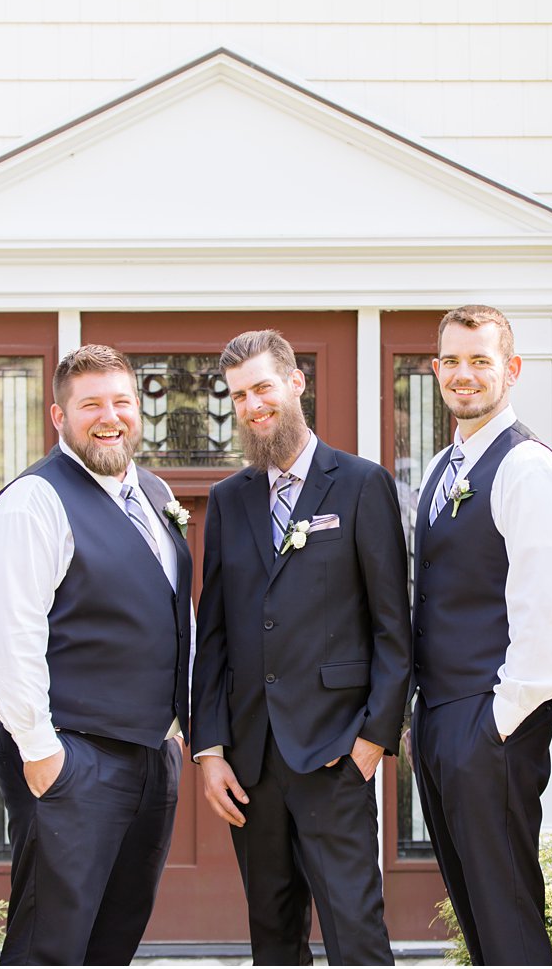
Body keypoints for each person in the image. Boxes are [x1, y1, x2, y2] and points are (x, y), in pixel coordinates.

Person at [191, 329, 411, 966]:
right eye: (238, 396)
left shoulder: (362, 485)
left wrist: (372, 740)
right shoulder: (230, 500)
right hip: (250, 763)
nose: (253, 405)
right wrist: (209, 750)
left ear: (295, 384)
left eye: (262, 387)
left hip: (335, 751)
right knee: (273, 935)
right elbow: (216, 633)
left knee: (356, 932)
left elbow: (392, 625)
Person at [0, 344, 191, 966]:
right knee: (53, 943)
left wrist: (175, 732)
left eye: (122, 401)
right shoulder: (34, 502)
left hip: (150, 755)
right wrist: (42, 755)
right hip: (72, 756)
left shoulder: (151, 492)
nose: (109, 416)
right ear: (57, 415)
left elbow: (172, 612)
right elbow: (4, 636)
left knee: (113, 939)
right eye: (90, 404)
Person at [410, 305, 552, 966]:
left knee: (507, 915)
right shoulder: (440, 469)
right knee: (478, 917)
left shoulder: (526, 468)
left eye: (480, 359)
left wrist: (496, 723)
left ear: (511, 369)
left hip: (490, 722)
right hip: (442, 716)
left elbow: (548, 611)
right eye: (451, 360)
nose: (464, 373)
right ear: (435, 371)